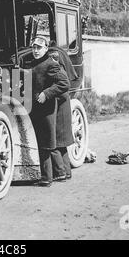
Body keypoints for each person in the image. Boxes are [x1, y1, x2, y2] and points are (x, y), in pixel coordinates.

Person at [28, 36, 70, 187]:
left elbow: (64, 83)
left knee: (46, 143)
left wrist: (46, 93)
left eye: (39, 48)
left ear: (46, 49)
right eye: (34, 47)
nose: (36, 50)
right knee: (45, 142)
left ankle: (47, 178)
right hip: (36, 109)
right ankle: (61, 173)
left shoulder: (51, 64)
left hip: (46, 109)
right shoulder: (35, 63)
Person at [48, 41, 76, 181]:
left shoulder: (56, 71)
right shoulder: (61, 69)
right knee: (62, 143)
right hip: (64, 108)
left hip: (59, 109)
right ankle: (67, 172)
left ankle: (60, 173)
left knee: (52, 142)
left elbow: (61, 87)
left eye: (52, 58)